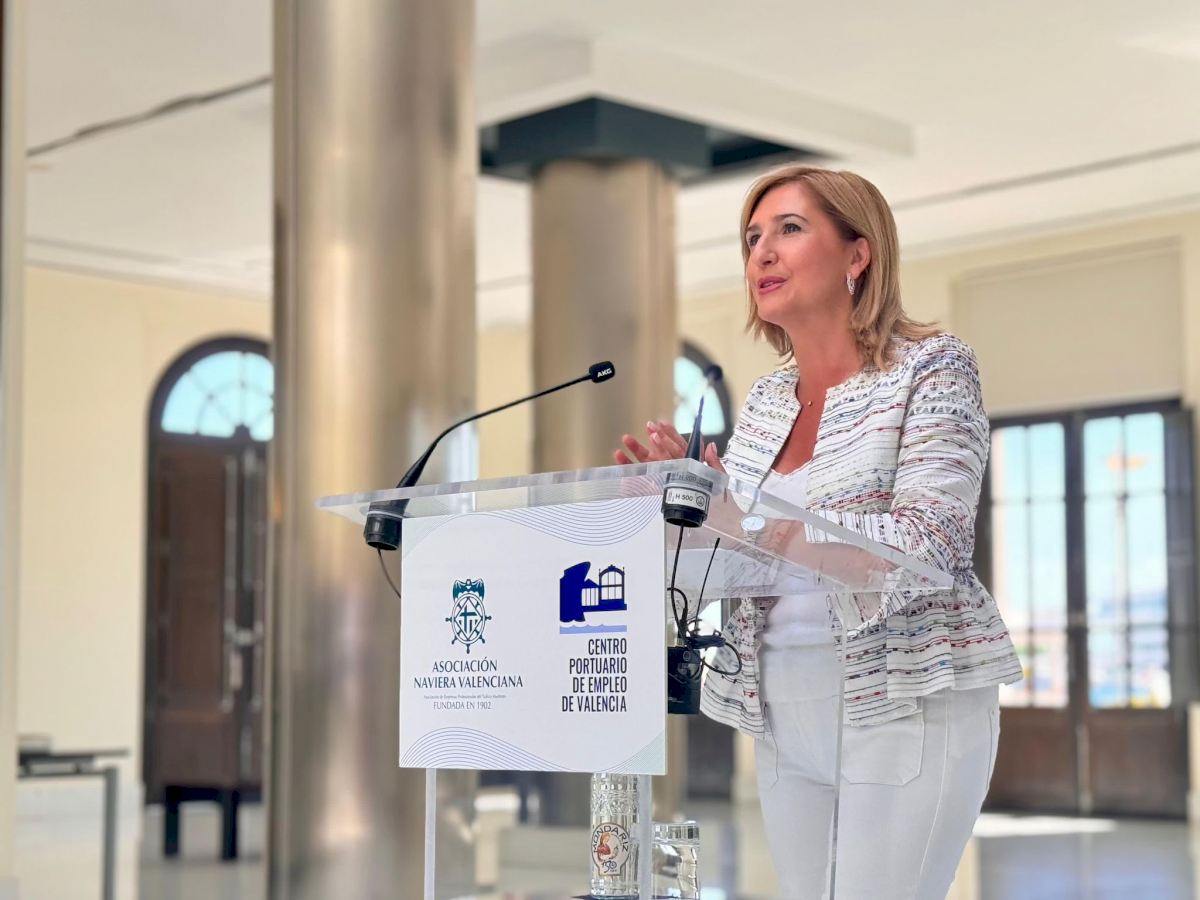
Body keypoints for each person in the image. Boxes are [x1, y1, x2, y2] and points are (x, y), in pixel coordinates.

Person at [614, 165, 1022, 899]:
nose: (762, 253)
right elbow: (745, 557)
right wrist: (682, 511)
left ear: (858, 253)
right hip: (778, 700)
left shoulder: (932, 368)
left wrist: (751, 525)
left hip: (904, 694)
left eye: (790, 229)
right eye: (752, 238)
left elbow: (928, 544)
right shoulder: (768, 399)